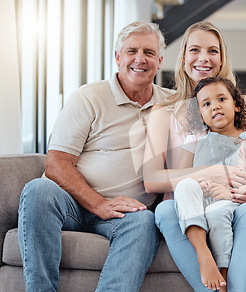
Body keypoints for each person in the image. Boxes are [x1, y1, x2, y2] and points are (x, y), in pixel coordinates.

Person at [17, 21, 170, 291]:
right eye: (131, 50)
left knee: (144, 220)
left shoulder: (172, 103)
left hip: (126, 213)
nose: (139, 59)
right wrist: (99, 203)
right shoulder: (89, 97)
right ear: (117, 57)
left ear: (159, 61)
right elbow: (56, 163)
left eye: (148, 52)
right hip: (72, 204)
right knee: (38, 189)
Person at [143, 21, 246, 291]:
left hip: (234, 202)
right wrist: (207, 174)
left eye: (213, 51)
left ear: (222, 58)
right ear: (183, 57)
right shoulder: (163, 110)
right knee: (165, 209)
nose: (203, 58)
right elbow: (151, 180)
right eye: (195, 50)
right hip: (184, 204)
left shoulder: (245, 107)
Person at [173, 77, 246, 291]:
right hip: (196, 203)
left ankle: (222, 275)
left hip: (229, 205)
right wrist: (201, 181)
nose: (214, 106)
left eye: (221, 99)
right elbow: (180, 176)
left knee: (216, 211)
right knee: (184, 186)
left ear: (235, 104)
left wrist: (229, 193)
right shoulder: (194, 140)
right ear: (200, 114)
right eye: (206, 104)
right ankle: (203, 254)